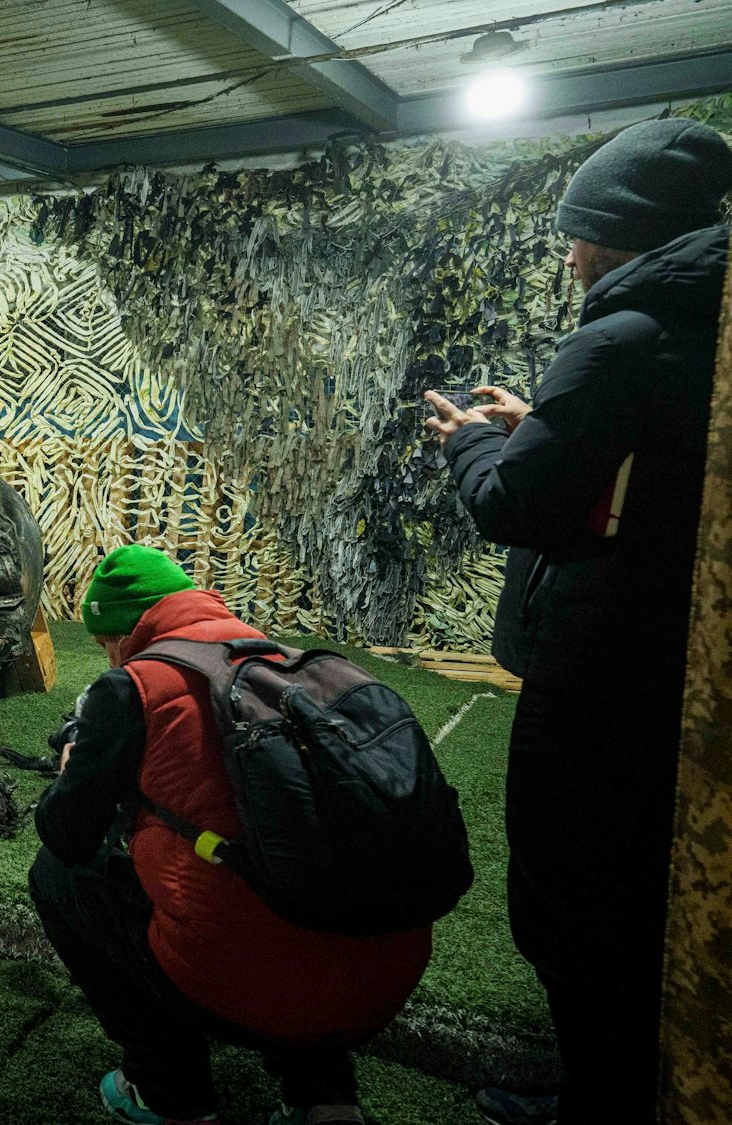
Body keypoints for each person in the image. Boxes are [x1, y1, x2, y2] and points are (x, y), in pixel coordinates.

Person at [425, 117, 732, 1125]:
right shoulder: (701, 328)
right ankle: (612, 1087)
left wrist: (471, 443)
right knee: (634, 899)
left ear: (621, 233)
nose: (568, 256)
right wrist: (541, 425)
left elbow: (512, 504)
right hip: (663, 665)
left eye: (578, 236)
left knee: (565, 903)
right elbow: (641, 469)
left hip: (593, 673)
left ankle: (595, 1104)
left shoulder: (620, 337)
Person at [28, 546, 431, 1125]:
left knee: (60, 875)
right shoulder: (293, 666)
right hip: (386, 980)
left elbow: (65, 833)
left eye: (103, 644)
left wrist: (76, 765)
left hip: (245, 985)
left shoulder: (136, 687)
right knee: (296, 856)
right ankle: (324, 1098)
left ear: (122, 635)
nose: (108, 657)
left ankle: (170, 1094)